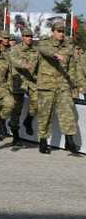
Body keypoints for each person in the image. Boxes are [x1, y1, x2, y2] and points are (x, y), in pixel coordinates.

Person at [36, 21, 80, 154]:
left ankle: (69, 140)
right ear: (53, 32)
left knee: (68, 112)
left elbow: (72, 67)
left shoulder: (68, 46)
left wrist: (74, 85)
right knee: (46, 114)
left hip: (63, 85)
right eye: (59, 31)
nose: (61, 34)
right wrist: (56, 55)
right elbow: (43, 50)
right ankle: (43, 141)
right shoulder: (45, 42)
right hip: (47, 85)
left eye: (63, 32)